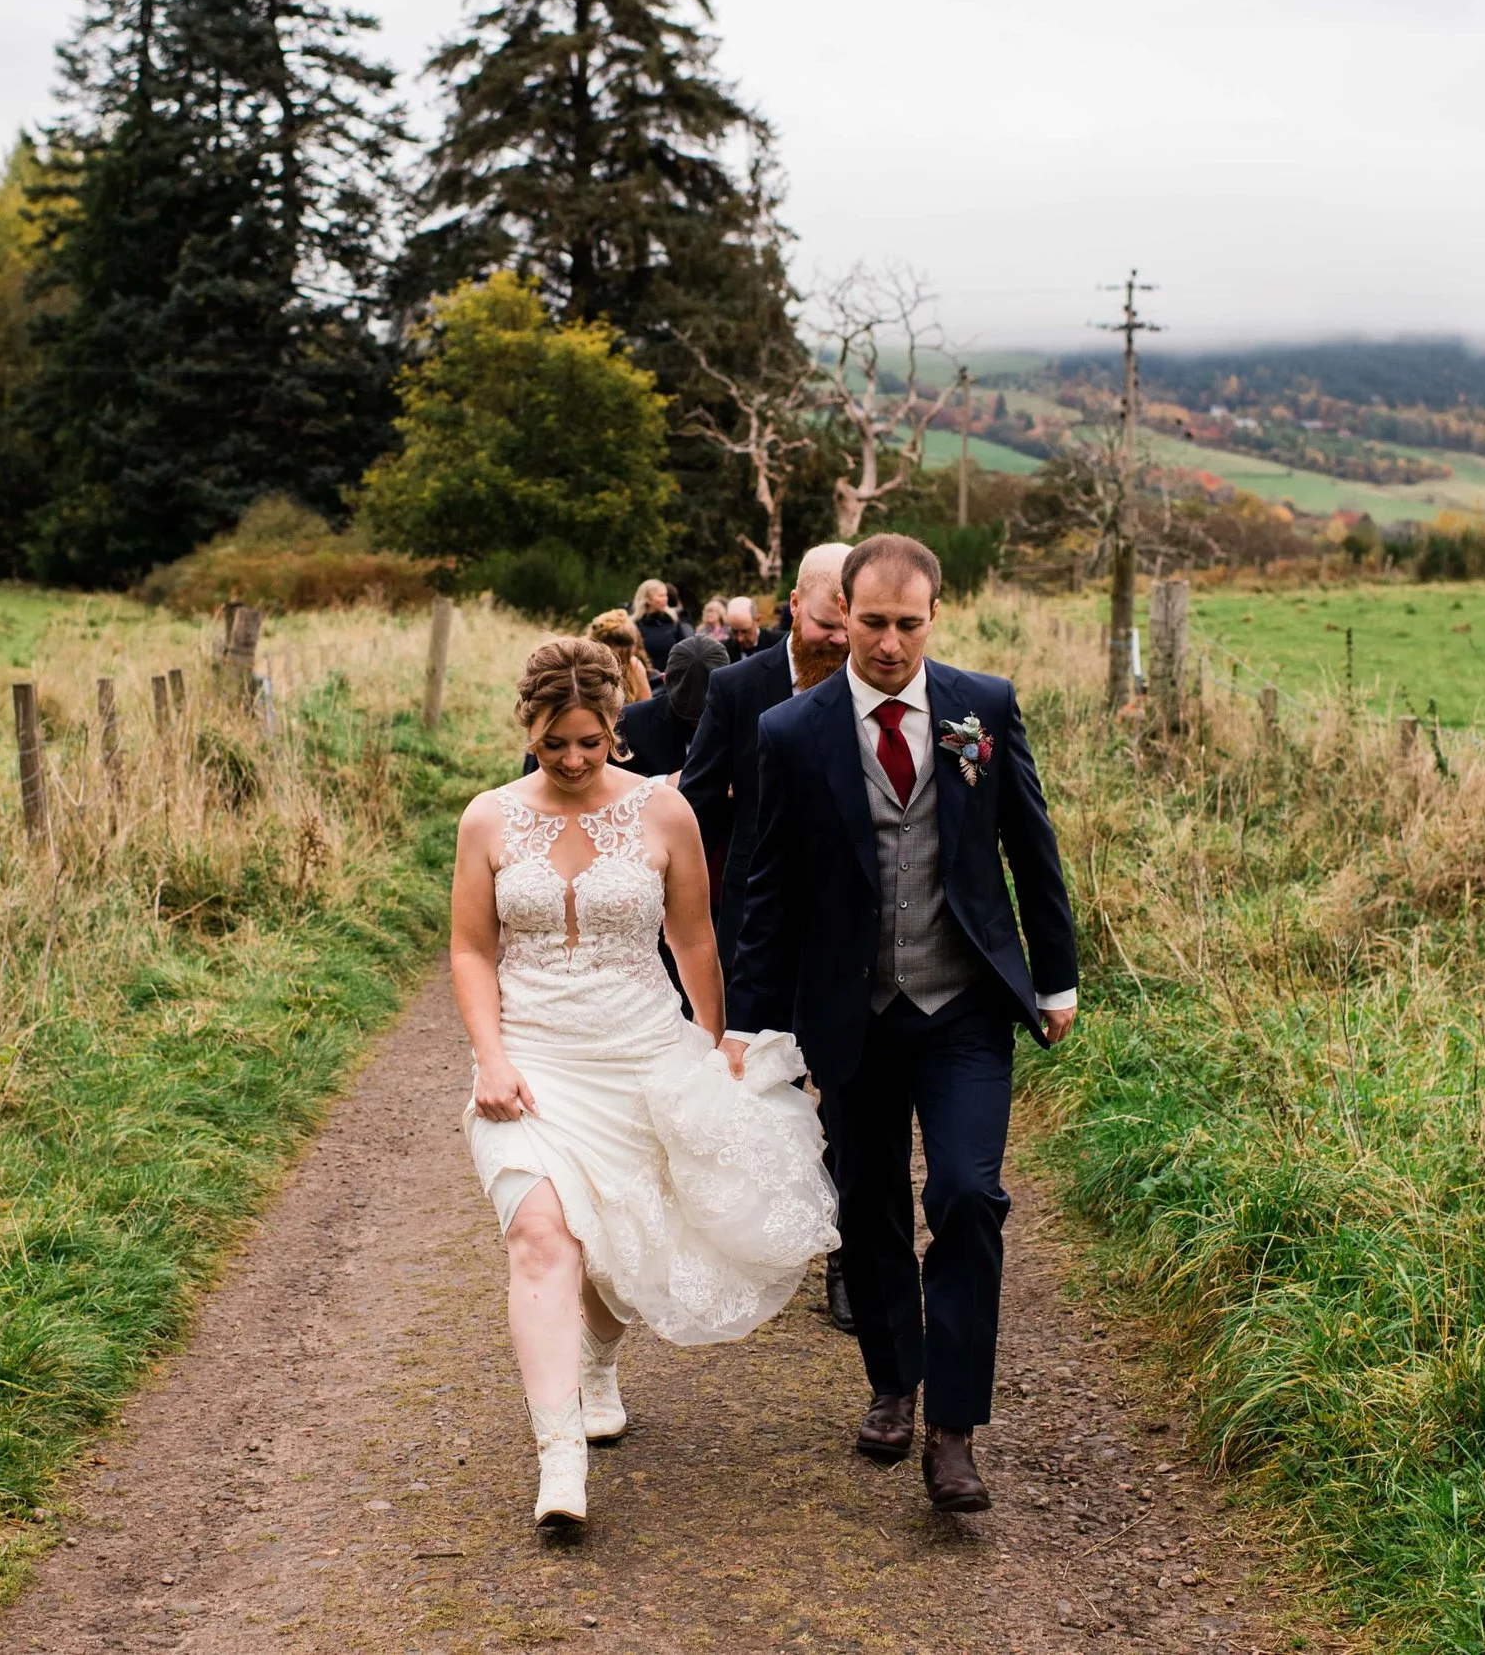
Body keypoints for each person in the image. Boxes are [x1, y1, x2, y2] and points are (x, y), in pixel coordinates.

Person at [720, 534, 1079, 1515]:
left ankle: (953, 1429)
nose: (886, 642)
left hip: (963, 1001)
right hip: (854, 1006)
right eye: (869, 622)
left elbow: (1029, 845)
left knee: (966, 1195)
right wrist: (748, 1022)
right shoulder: (795, 731)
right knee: (868, 1202)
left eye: (906, 624)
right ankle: (893, 1380)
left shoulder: (982, 707)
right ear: (841, 612)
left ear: (934, 615)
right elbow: (770, 887)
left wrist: (1055, 978)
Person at [450, 637, 838, 1532]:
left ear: (613, 727)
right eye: (555, 745)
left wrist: (717, 1046)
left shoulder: (665, 814)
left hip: (641, 1052)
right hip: (534, 1061)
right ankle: (560, 1463)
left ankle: (595, 1360)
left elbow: (695, 938)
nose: (575, 760)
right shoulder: (489, 820)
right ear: (530, 730)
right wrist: (491, 1058)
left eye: (590, 741)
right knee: (543, 1235)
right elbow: (473, 949)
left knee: (624, 1245)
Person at [678, 541, 855, 1328]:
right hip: (758, 922)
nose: (843, 643)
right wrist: (683, 923)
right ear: (794, 606)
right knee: (764, 1087)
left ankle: (851, 1257)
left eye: (851, 629)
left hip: (856, 930)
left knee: (852, 1095)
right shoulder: (736, 686)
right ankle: (767, 1243)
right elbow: (698, 809)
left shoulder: (887, 679)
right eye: (828, 624)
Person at [614, 633, 729, 781]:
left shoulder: (747, 719)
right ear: (663, 679)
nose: (698, 727)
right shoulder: (629, 724)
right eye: (690, 719)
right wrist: (663, 783)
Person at [585, 609, 654, 701]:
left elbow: (646, 705)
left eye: (626, 658)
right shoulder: (583, 669)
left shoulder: (634, 666)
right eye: (616, 657)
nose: (620, 663)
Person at [630, 579, 689, 674]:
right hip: (648, 678)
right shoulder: (635, 625)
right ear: (648, 599)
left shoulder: (673, 621)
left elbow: (685, 649)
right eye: (661, 595)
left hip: (673, 677)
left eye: (666, 595)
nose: (666, 599)